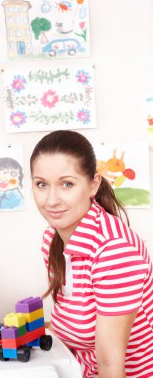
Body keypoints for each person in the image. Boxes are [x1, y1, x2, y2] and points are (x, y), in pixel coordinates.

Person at [30, 130, 153, 378]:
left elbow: (110, 363)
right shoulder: (52, 240)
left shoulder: (115, 251)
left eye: (67, 184)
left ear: (93, 185)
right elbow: (71, 327)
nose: (52, 200)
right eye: (41, 184)